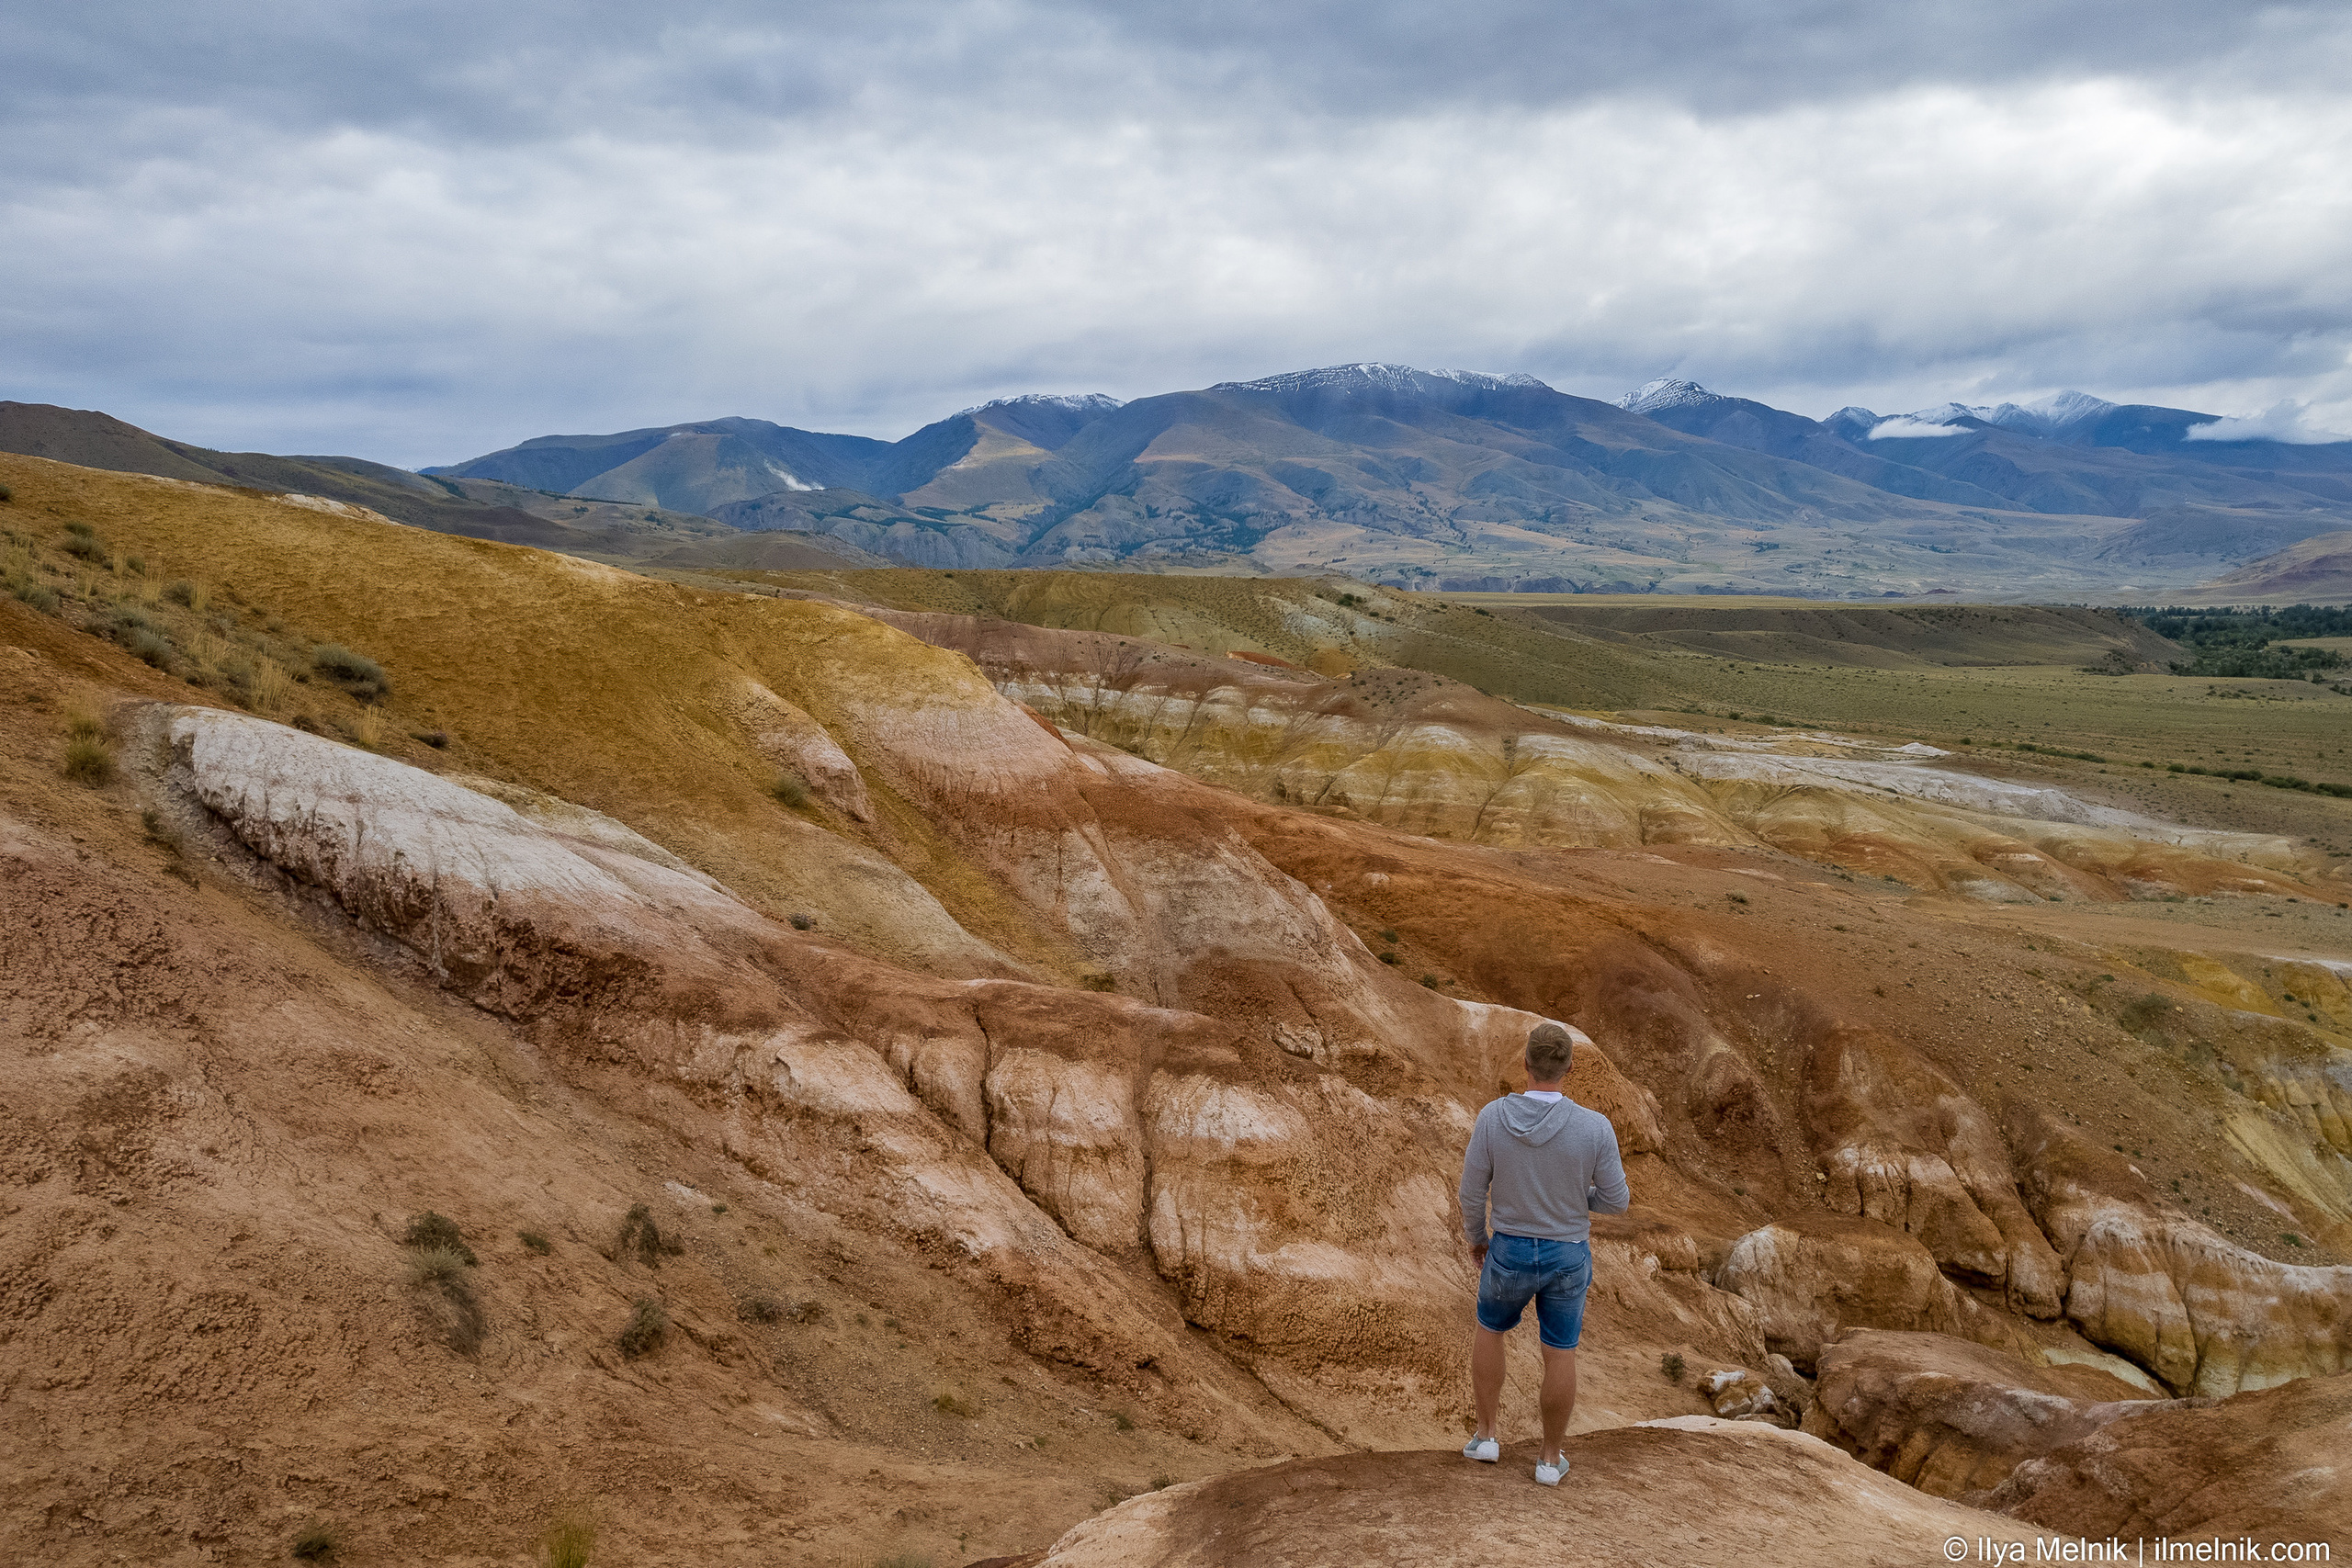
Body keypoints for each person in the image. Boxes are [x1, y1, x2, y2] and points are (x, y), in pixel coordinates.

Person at [1456, 1020, 1630, 1486]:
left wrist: (1478, 1239)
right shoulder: (1595, 1127)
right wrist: (1576, 1198)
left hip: (1509, 1248)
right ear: (1568, 1067)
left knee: (1491, 1329)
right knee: (1560, 1352)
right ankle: (1550, 1461)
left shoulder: (1492, 1118)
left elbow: (1472, 1192)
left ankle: (1487, 1437)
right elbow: (1616, 1200)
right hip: (1568, 1253)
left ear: (1526, 1064)